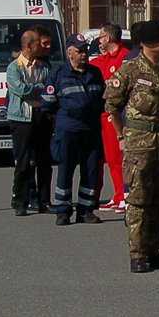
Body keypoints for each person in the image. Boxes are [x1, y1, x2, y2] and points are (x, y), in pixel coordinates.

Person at [105, 19, 159, 273]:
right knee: (138, 201)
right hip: (139, 145)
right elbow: (112, 106)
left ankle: (153, 250)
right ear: (154, 43)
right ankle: (137, 254)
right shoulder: (130, 71)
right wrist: (120, 137)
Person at [43, 36, 106, 224]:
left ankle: (86, 210)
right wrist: (63, 120)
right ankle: (63, 210)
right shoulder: (58, 74)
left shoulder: (95, 73)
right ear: (70, 52)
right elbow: (48, 105)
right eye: (80, 51)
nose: (84, 54)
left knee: (90, 170)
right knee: (65, 169)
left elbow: (103, 99)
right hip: (68, 129)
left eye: (85, 50)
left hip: (91, 129)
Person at [5, 26, 54, 217]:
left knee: (44, 161)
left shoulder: (43, 66)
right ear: (28, 46)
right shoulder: (13, 68)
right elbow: (20, 89)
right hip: (21, 118)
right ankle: (20, 200)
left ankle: (44, 200)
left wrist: (38, 88)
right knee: (24, 162)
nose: (41, 48)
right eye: (37, 44)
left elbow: (49, 87)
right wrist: (38, 88)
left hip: (41, 116)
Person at [91, 23, 130, 211]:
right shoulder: (102, 60)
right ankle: (117, 195)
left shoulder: (124, 57)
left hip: (119, 115)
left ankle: (125, 195)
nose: (99, 41)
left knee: (120, 157)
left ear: (108, 38)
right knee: (111, 158)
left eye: (100, 37)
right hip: (105, 114)